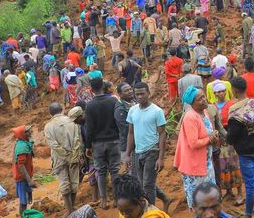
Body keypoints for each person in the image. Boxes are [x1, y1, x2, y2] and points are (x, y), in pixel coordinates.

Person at [125, 82, 171, 212]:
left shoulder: (157, 111)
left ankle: (150, 212)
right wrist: (127, 154)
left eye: (142, 94)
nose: (139, 97)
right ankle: (161, 201)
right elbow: (130, 132)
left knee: (148, 185)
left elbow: (162, 134)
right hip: (137, 152)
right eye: (137, 94)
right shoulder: (133, 110)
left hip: (152, 150)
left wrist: (161, 158)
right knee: (141, 183)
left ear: (148, 94)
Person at [226, 77, 254, 218]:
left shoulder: (234, 111)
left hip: (245, 153)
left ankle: (248, 214)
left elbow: (231, 137)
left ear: (235, 91)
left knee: (249, 185)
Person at [174, 87, 219, 211]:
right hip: (194, 166)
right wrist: (210, 139)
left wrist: (213, 135)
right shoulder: (190, 117)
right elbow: (193, 143)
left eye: (204, 96)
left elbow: (208, 132)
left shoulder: (204, 113)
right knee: (200, 201)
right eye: (200, 99)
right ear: (192, 103)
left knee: (208, 197)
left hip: (206, 162)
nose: (204, 100)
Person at [84, 77, 121, 209]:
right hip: (114, 140)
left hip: (98, 143)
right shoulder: (113, 101)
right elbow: (118, 121)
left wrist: (88, 146)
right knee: (115, 170)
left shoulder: (89, 105)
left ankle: (104, 200)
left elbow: (89, 128)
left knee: (101, 171)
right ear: (103, 86)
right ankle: (117, 199)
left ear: (91, 90)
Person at [44, 102, 82, 214]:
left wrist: (64, 154)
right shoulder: (72, 121)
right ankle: (72, 208)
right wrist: (72, 154)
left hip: (59, 159)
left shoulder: (48, 126)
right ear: (62, 110)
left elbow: (53, 145)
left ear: (50, 113)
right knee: (74, 183)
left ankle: (69, 211)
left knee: (64, 184)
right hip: (74, 156)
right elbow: (77, 139)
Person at [10, 126, 35, 214]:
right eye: (27, 132)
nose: (30, 132)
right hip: (22, 178)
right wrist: (29, 181)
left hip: (24, 177)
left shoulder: (24, 142)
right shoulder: (22, 147)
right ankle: (22, 215)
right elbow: (21, 166)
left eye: (30, 131)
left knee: (27, 199)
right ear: (22, 134)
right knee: (23, 202)